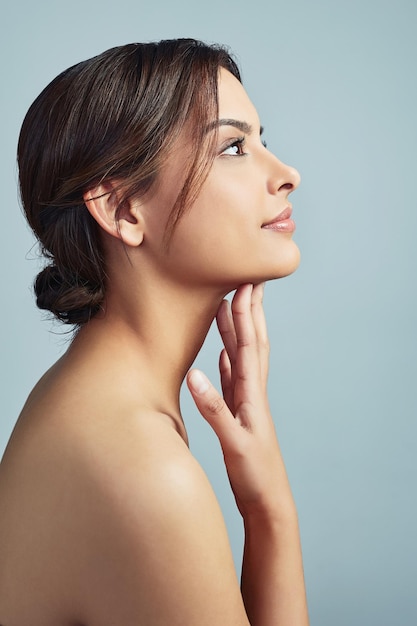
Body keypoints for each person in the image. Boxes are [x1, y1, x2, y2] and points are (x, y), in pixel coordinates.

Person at [0, 39, 309, 625]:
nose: (287, 174)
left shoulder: (92, 400)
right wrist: (273, 512)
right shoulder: (138, 467)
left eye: (264, 140)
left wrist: (266, 503)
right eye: (235, 146)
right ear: (122, 209)